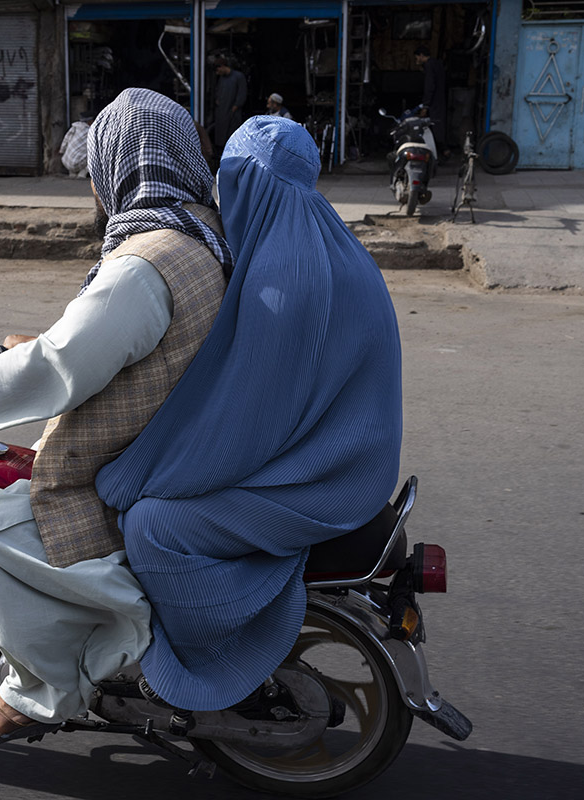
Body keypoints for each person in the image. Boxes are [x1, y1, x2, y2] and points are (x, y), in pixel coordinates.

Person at [0, 88, 232, 753]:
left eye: (95, 165)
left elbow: (55, 371)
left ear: (120, 163)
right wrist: (43, 346)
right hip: (173, 440)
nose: (91, 182)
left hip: (120, 464)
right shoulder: (198, 233)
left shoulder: (142, 265)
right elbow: (113, 344)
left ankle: (38, 693)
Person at [97, 116, 402, 712]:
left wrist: (128, 473)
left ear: (244, 185)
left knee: (151, 524)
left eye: (227, 182)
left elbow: (238, 431)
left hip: (324, 485)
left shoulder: (279, 280)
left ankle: (211, 675)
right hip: (350, 462)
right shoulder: (330, 241)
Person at [414, 45, 449, 157]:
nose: (416, 60)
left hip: (434, 101)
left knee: (434, 125)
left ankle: (441, 151)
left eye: (417, 57)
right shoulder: (437, 64)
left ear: (421, 56)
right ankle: (443, 149)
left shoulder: (429, 66)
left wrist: (426, 105)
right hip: (441, 99)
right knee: (439, 124)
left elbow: (430, 86)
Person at [212, 56, 247, 151]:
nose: (217, 72)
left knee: (231, 135)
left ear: (222, 66)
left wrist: (235, 107)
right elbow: (218, 91)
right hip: (221, 111)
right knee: (220, 136)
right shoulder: (221, 78)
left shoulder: (238, 77)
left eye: (218, 69)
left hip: (232, 112)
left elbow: (242, 94)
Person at [59, 110, 93, 178]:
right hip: (77, 163)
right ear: (90, 121)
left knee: (77, 152)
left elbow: (65, 141)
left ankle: (72, 174)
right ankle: (82, 175)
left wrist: (61, 151)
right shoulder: (91, 131)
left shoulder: (74, 127)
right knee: (94, 155)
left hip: (65, 161)